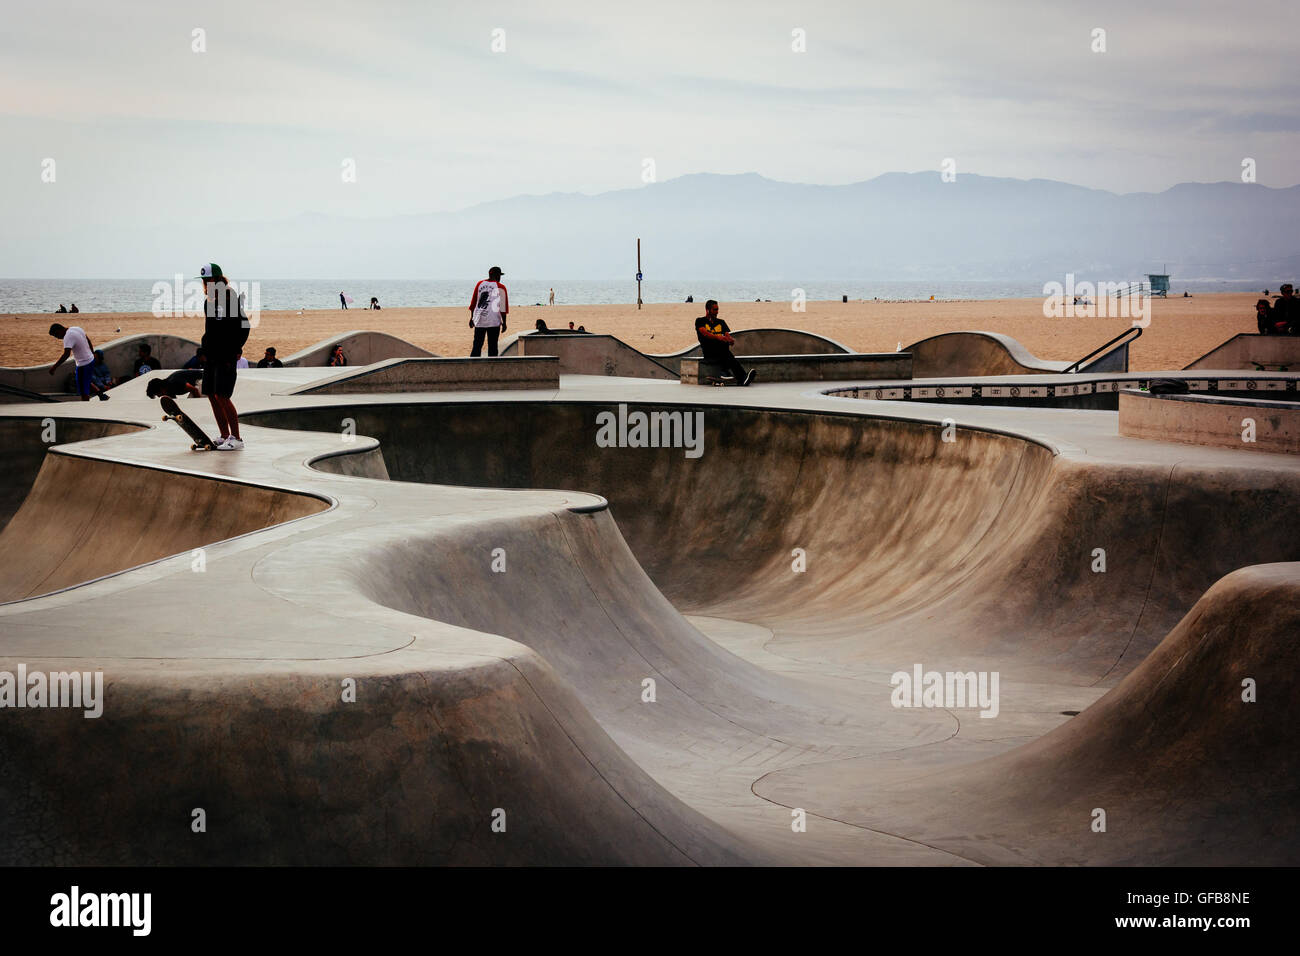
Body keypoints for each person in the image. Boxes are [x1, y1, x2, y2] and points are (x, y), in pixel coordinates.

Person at [197, 262, 250, 450]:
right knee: (211, 394)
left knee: (222, 395)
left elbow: (244, 325)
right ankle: (224, 435)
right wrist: (204, 350)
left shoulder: (229, 298)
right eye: (203, 280)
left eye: (208, 279)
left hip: (226, 354)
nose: (205, 283)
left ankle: (236, 438)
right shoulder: (209, 301)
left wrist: (237, 349)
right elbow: (210, 330)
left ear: (218, 279)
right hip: (211, 355)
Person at [695, 300, 755, 385]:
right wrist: (718, 337)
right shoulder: (700, 321)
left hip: (722, 350)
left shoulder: (721, 322)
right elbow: (705, 333)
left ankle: (727, 373)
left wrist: (730, 340)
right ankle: (737, 375)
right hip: (709, 351)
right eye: (715, 310)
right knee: (722, 346)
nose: (717, 312)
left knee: (724, 347)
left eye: (717, 309)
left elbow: (727, 335)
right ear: (707, 310)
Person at [47, 323, 106, 401]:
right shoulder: (76, 328)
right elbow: (88, 339)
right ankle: (101, 395)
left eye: (56, 335)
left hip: (83, 364)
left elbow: (66, 354)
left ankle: (85, 407)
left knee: (83, 390)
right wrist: (92, 353)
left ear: (60, 330)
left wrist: (54, 367)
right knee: (85, 381)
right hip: (89, 360)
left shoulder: (67, 337)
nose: (57, 338)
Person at [468, 266, 509, 357]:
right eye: (499, 275)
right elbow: (503, 308)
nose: (500, 278)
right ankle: (492, 367)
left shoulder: (480, 284)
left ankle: (472, 366)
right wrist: (504, 322)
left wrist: (472, 318)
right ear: (497, 275)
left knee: (477, 346)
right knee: (493, 347)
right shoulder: (501, 287)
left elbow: (474, 303)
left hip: (479, 320)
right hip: (494, 321)